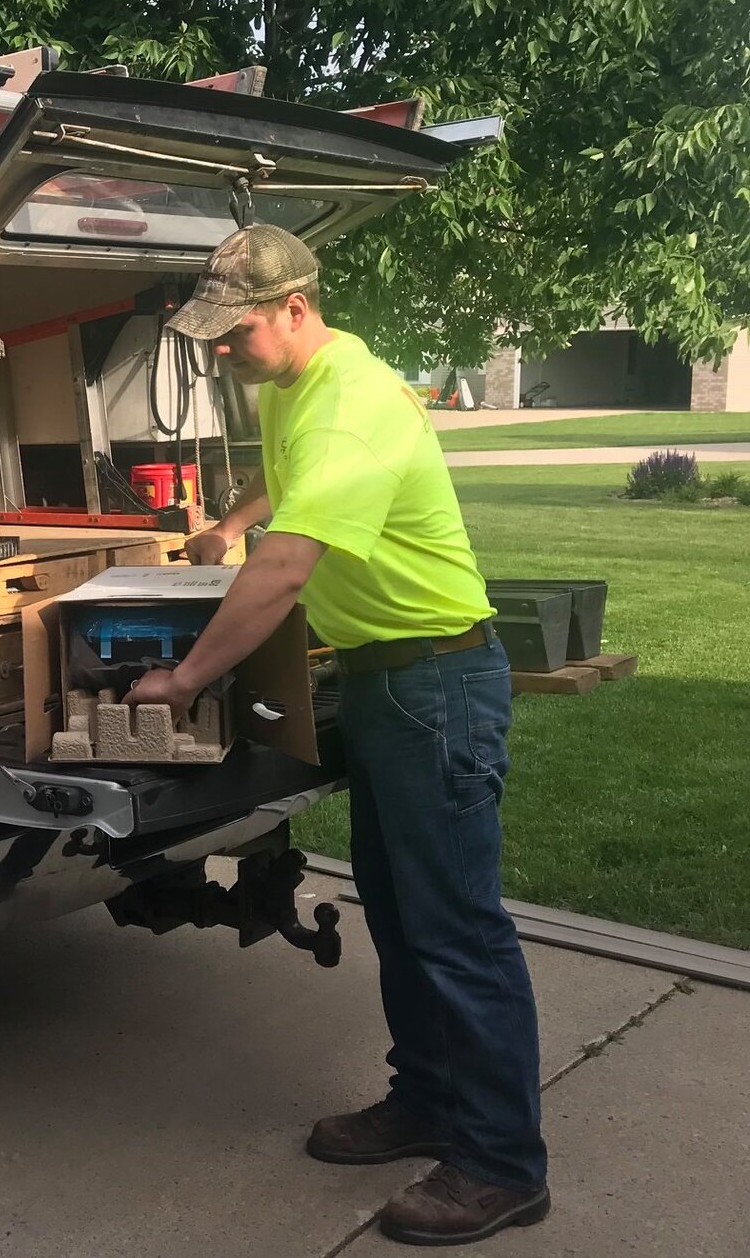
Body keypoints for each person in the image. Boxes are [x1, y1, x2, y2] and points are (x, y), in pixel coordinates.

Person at [123, 224, 549, 1246]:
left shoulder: (352, 404)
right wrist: (232, 520)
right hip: (385, 680)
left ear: (297, 309)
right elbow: (289, 487)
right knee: (401, 913)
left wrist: (186, 678)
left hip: (435, 681)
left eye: (236, 337)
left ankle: (501, 1163)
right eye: (212, 340)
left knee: (457, 928)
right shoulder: (293, 389)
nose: (222, 355)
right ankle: (427, 1102)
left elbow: (288, 569)